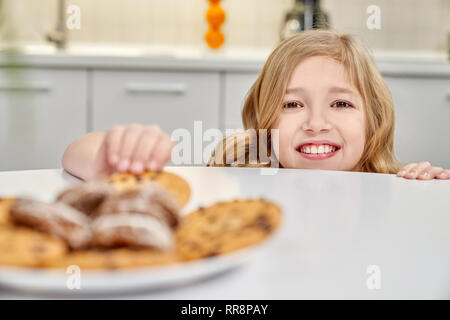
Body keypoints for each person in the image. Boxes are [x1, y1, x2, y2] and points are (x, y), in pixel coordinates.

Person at [62, 30, 450, 181]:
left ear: (375, 121)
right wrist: (110, 157)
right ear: (264, 120)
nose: (316, 123)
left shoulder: (393, 184)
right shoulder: (237, 172)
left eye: (341, 104)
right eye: (293, 104)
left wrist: (426, 186)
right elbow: (75, 154)